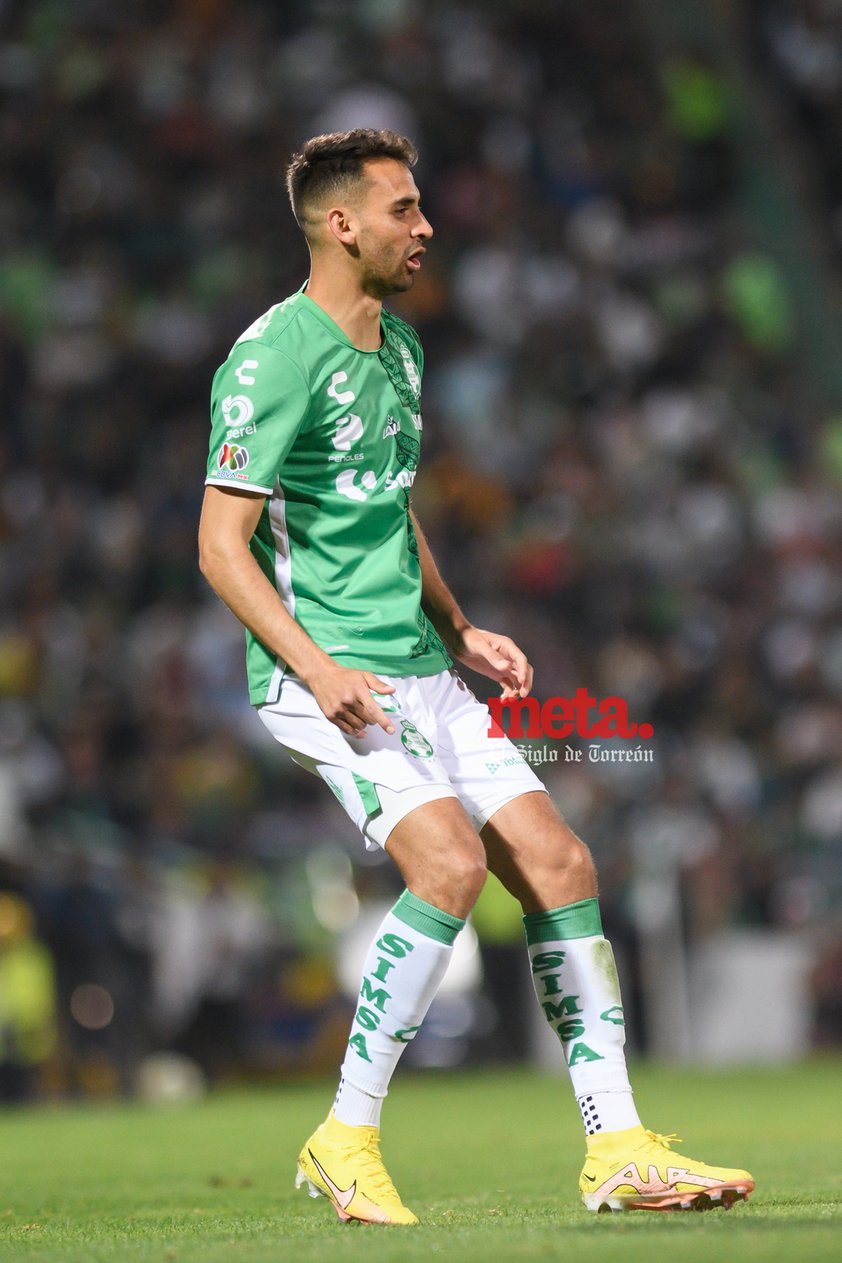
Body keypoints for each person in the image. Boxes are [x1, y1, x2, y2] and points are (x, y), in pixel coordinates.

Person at [198, 128, 754, 1224]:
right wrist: (314, 669)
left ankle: (617, 1148)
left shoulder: (399, 350)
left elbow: (387, 502)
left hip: (420, 670)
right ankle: (343, 1138)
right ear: (340, 222)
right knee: (447, 865)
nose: (426, 227)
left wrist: (455, 628)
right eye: (404, 209)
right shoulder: (270, 357)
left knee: (557, 859)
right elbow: (220, 546)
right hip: (325, 676)